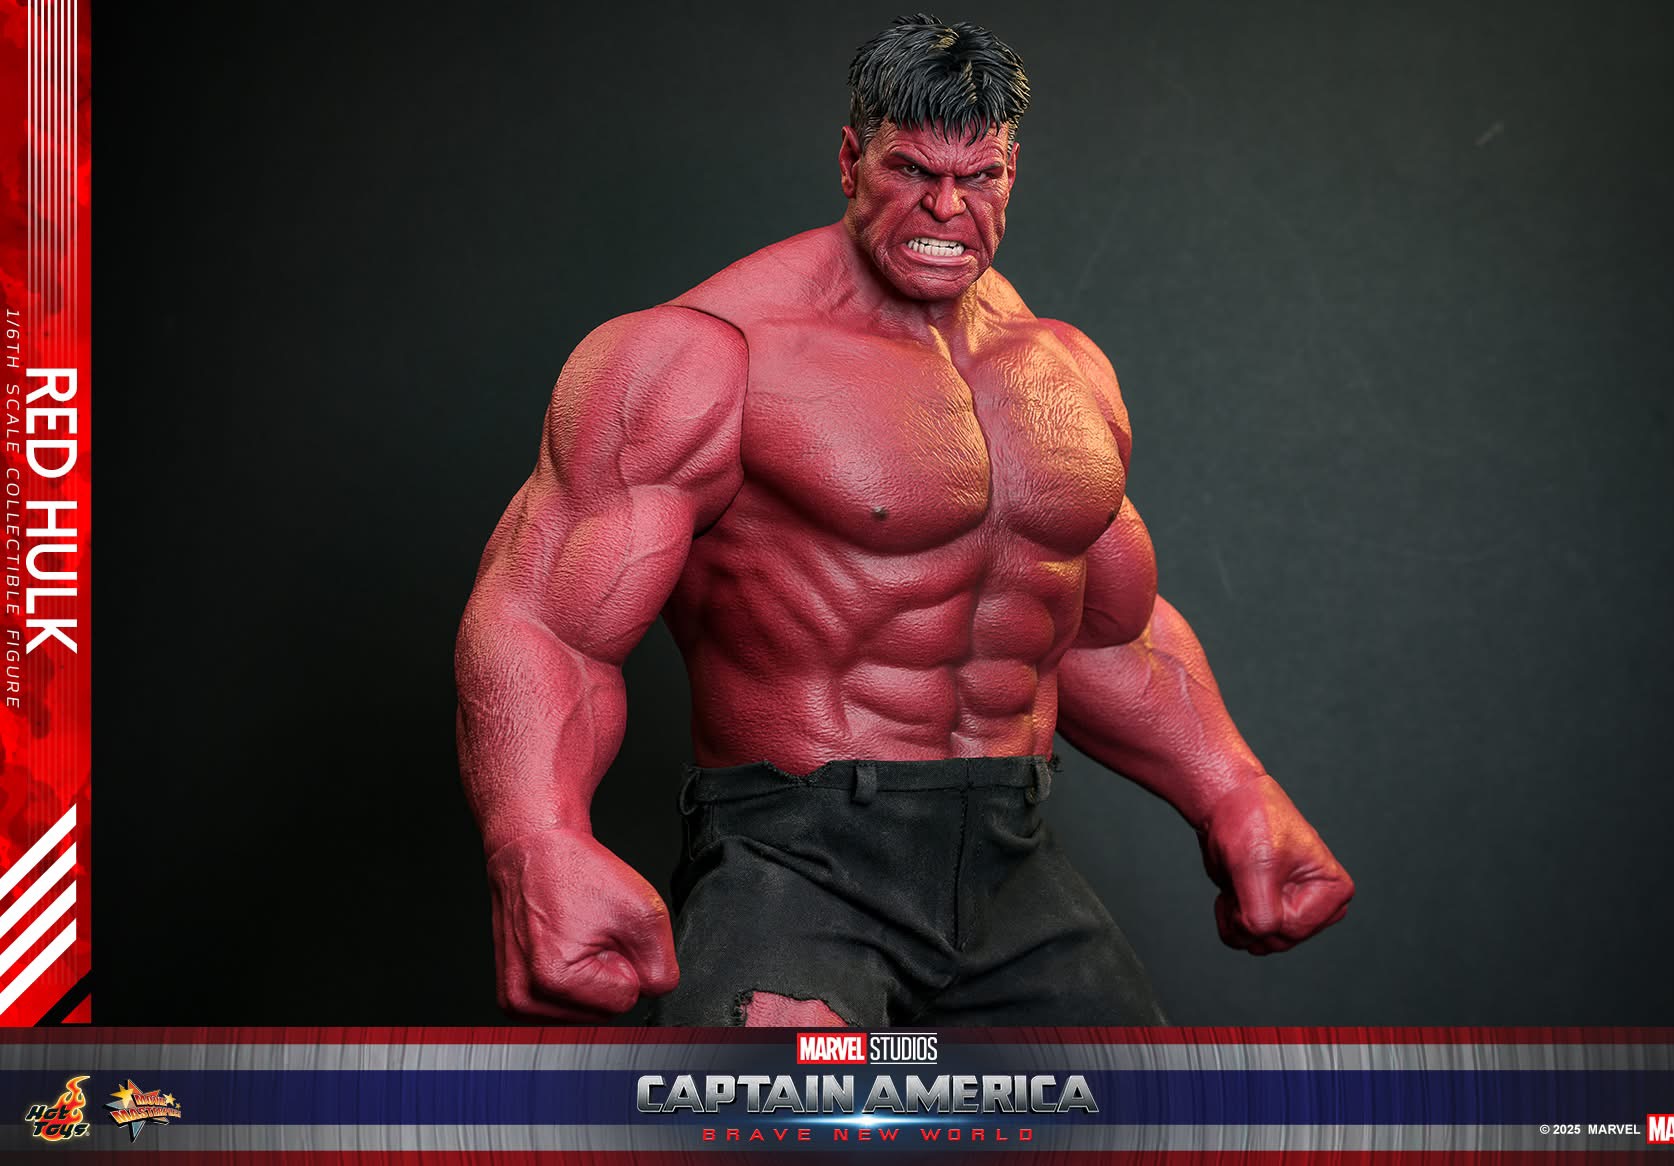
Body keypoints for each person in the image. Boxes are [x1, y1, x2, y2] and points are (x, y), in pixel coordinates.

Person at [455, 14, 1353, 1026]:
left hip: (1012, 855)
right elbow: (544, 621)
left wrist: (1231, 786)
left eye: (980, 177)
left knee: (1130, 1106)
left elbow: (1106, 633)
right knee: (788, 1108)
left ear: (1013, 171)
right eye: (912, 170)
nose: (946, 207)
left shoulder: (1065, 371)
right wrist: (536, 837)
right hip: (796, 864)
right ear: (851, 160)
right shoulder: (705, 354)